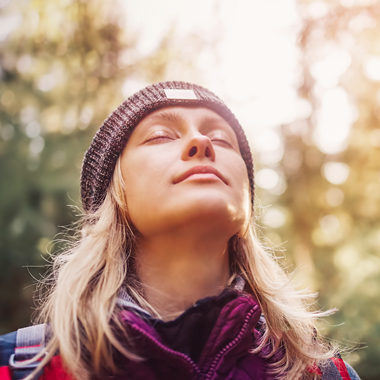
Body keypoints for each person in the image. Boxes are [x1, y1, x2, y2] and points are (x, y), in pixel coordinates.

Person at [0, 81, 360, 380]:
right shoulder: (17, 368)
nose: (201, 143)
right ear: (114, 194)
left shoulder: (324, 374)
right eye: (159, 136)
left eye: (221, 139)